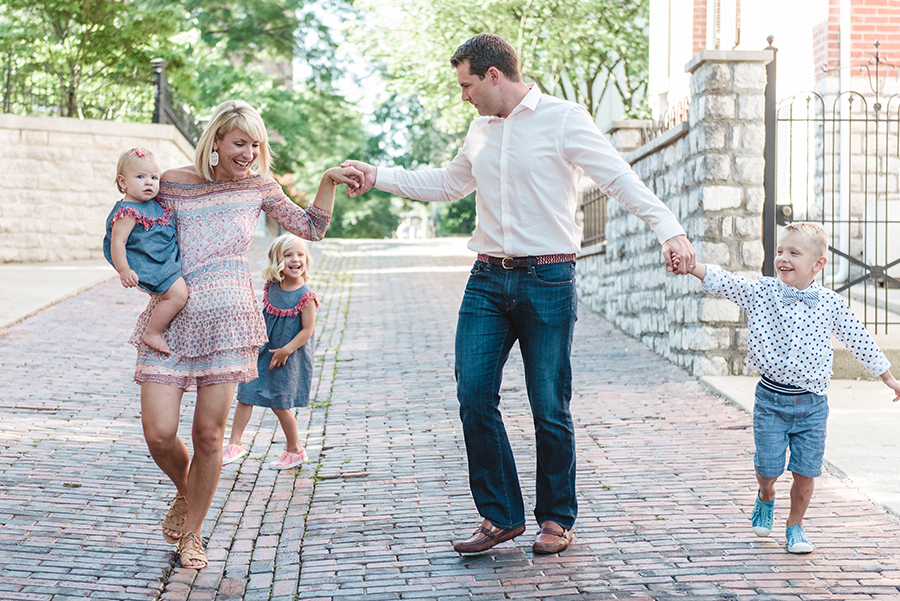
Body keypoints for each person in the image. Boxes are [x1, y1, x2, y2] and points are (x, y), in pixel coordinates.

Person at [343, 33, 696, 555]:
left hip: (548, 279)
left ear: (493, 75)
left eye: (467, 85)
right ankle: (501, 515)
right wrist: (379, 177)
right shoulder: (479, 130)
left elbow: (618, 179)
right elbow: (447, 184)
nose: (464, 96)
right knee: (473, 394)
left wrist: (669, 229)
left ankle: (556, 518)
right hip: (487, 279)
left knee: (548, 404)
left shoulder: (564, 118)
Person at [134, 99, 362, 569]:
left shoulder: (259, 186)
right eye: (240, 143)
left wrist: (327, 182)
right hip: (172, 321)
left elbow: (312, 228)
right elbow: (134, 224)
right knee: (158, 434)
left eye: (256, 145)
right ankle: (187, 492)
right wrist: (135, 266)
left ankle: (193, 534)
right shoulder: (172, 183)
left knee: (209, 436)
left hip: (231, 324)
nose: (249, 154)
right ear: (216, 141)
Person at [679, 222, 900, 553]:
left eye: (794, 253)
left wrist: (888, 378)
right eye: (780, 251)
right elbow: (726, 281)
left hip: (812, 404)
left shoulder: (830, 304)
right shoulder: (762, 292)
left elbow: (859, 340)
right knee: (768, 468)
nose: (782, 258)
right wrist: (692, 266)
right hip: (771, 400)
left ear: (818, 264)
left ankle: (795, 526)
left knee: (806, 472)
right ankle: (766, 495)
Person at [223, 234, 318, 470]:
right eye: (288, 255)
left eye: (300, 254)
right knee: (246, 393)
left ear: (306, 259)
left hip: (289, 355)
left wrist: (286, 350)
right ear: (277, 260)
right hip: (264, 350)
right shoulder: (272, 287)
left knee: (279, 403)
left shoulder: (306, 296)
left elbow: (307, 330)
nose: (295, 259)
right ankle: (235, 443)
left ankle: (295, 449)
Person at [103, 148, 188, 354]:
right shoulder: (127, 211)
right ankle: (152, 332)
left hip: (163, 258)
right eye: (140, 177)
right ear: (123, 182)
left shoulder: (152, 204)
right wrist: (124, 270)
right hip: (149, 263)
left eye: (154, 177)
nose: (149, 182)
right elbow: (118, 242)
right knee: (178, 295)